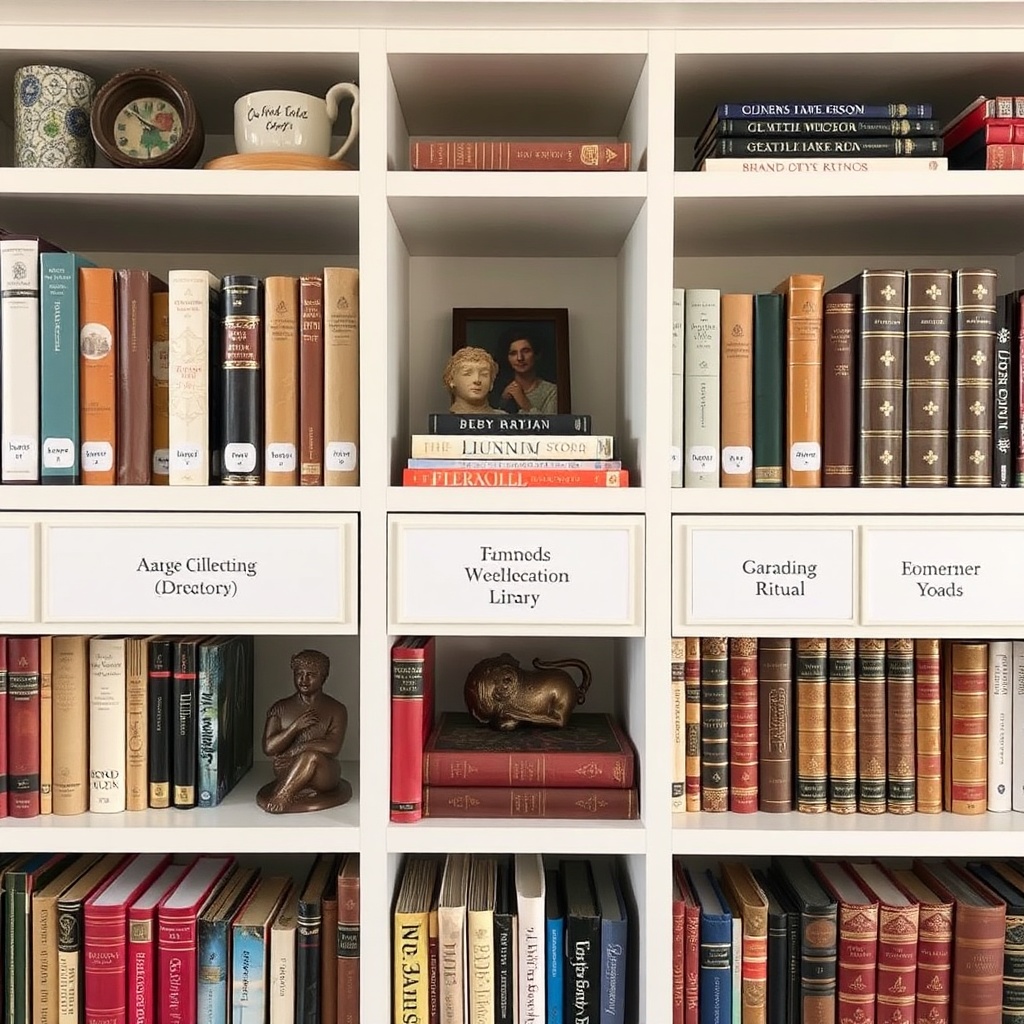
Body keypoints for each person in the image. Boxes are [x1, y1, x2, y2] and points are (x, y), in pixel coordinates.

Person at [258, 648, 350, 813]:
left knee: (311, 756)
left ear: (323, 677)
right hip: (286, 768)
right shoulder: (280, 708)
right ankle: (298, 790)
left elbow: (333, 747)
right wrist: (295, 727)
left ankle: (283, 795)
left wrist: (298, 749)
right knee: (307, 756)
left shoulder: (337, 709)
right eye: (299, 674)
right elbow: (269, 748)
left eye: (311, 675)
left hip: (323, 773)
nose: (303, 680)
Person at [498, 330, 558, 415]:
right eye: (513, 353)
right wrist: (503, 402)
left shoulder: (551, 392)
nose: (520, 358)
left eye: (526, 351)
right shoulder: (498, 390)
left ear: (536, 354)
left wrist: (526, 404)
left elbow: (553, 423)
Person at [443, 346, 507, 415]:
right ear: (451, 380)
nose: (477, 380)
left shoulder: (504, 418)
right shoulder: (444, 420)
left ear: (491, 382)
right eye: (467, 374)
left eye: (484, 374)